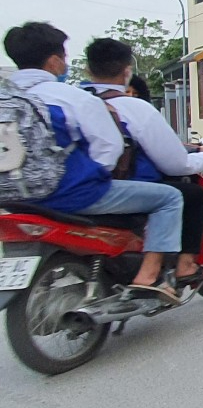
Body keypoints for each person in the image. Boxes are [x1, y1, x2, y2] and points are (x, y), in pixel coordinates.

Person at [3, 22, 184, 302]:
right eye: (63, 56)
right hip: (69, 194)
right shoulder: (73, 97)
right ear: (53, 61)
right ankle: (149, 276)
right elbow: (109, 147)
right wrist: (91, 174)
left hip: (11, 199)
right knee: (170, 198)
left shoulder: (6, 97)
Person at [82, 37, 203, 287]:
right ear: (127, 72)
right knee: (192, 194)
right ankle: (182, 266)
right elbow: (176, 165)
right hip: (114, 190)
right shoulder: (136, 109)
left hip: (70, 186)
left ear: (88, 70)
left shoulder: (75, 101)